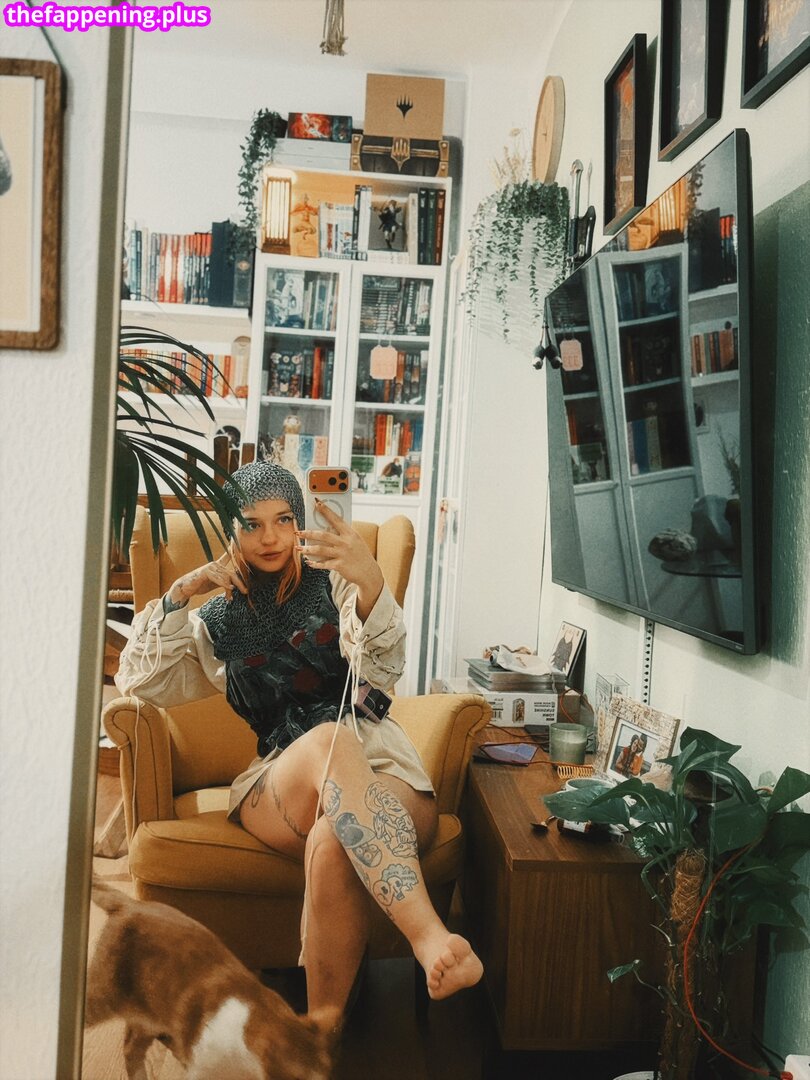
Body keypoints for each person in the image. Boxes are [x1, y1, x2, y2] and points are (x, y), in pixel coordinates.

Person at [115, 461, 483, 1025]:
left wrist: (370, 580)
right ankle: (430, 936)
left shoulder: (335, 583)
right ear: (231, 529)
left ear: (300, 521)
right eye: (252, 523)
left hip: (380, 763)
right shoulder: (215, 623)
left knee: (336, 839)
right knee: (325, 738)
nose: (270, 537)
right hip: (283, 779)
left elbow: (383, 670)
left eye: (284, 519)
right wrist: (181, 593)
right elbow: (140, 682)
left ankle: (319, 1038)